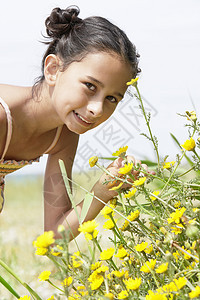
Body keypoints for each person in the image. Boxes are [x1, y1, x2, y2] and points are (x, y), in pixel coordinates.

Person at [0, 6, 144, 239]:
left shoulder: (63, 135)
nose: (97, 109)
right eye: (90, 86)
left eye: (111, 98)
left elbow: (55, 237)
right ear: (53, 69)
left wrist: (102, 190)